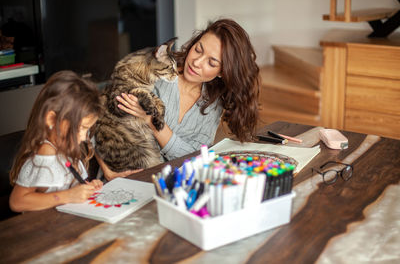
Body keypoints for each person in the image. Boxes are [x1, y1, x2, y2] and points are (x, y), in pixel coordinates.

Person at [100, 18, 260, 180]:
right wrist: (108, 172)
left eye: (211, 62)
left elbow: (194, 157)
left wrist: (151, 121)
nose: (197, 62)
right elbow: (93, 116)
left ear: (222, 72)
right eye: (198, 50)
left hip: (168, 184)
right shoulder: (155, 73)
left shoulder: (212, 105)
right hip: (120, 177)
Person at [9, 70, 103, 212]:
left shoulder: (66, 150)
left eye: (87, 130)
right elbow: (17, 202)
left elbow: (66, 187)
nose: (84, 137)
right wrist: (68, 196)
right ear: (52, 119)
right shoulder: (44, 156)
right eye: (81, 128)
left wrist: (84, 188)